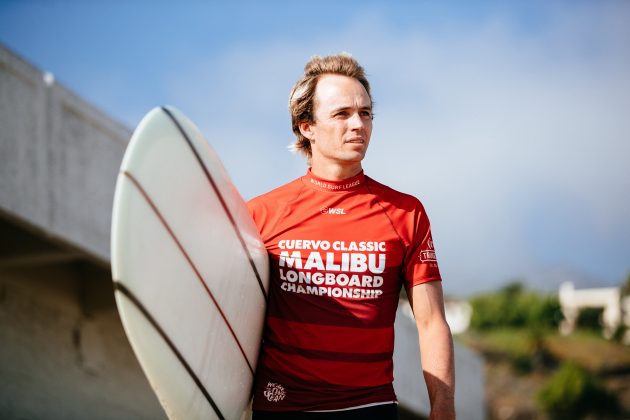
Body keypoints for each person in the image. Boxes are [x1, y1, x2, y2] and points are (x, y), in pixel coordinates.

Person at [247, 53, 455, 420]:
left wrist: (443, 408)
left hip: (369, 407)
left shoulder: (405, 213)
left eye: (366, 113)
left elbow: (431, 322)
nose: (358, 125)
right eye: (342, 114)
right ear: (306, 125)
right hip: (282, 406)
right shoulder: (262, 214)